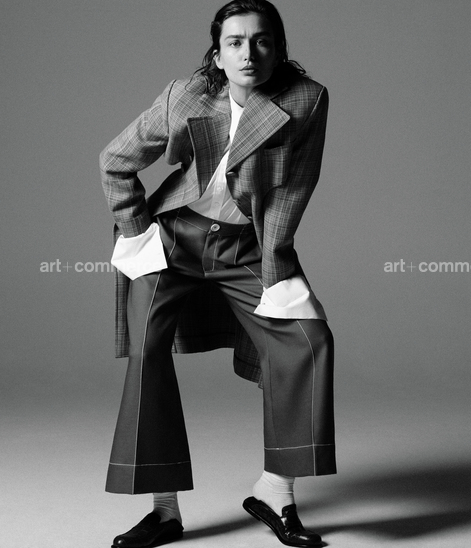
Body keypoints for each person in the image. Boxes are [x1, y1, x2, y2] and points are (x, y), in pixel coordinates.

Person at [100, 1, 336, 546]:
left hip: (246, 244)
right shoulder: (185, 96)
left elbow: (294, 189)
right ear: (217, 53)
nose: (249, 53)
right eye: (235, 42)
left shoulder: (306, 100)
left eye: (261, 41)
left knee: (308, 341)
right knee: (146, 350)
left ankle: (275, 493)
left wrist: (277, 267)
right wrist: (137, 233)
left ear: (278, 49)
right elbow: (115, 160)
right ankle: (164, 511)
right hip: (173, 240)